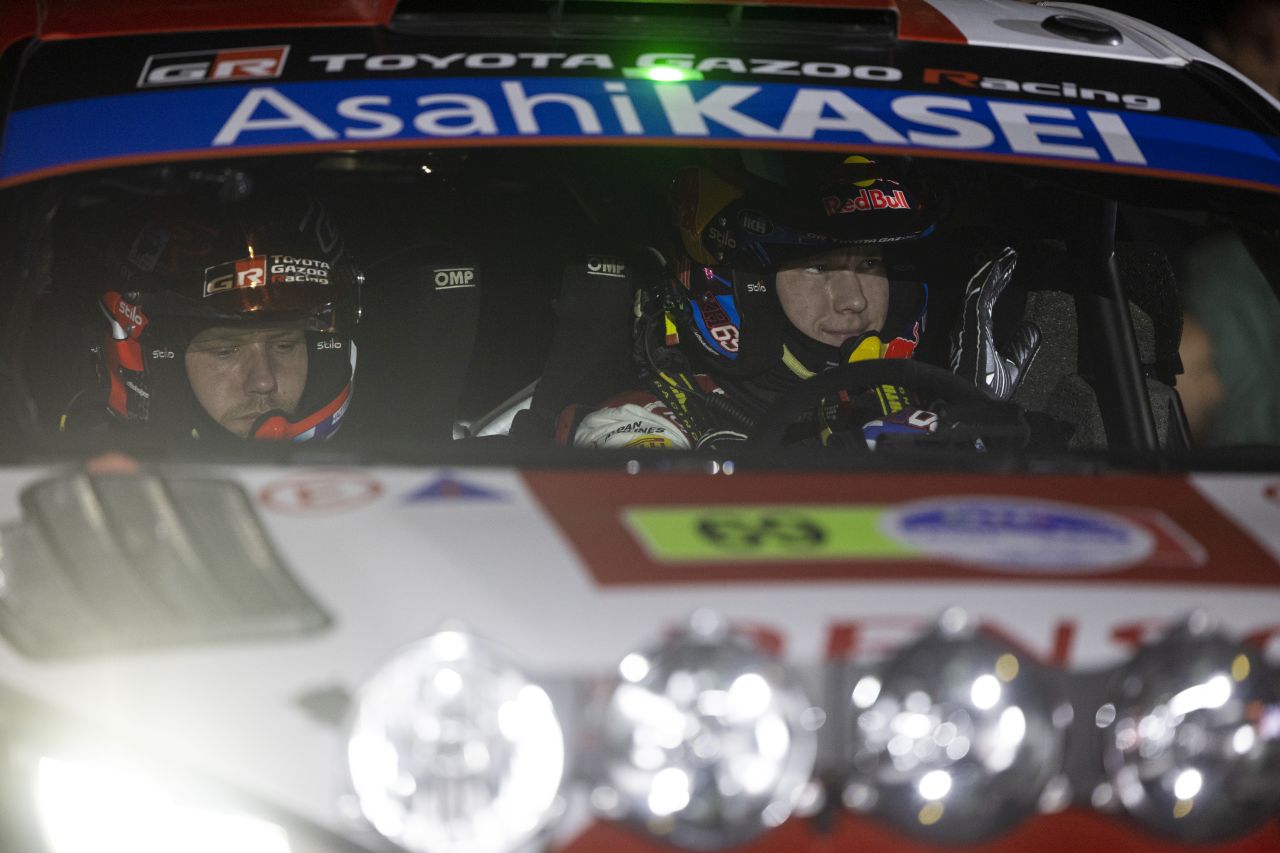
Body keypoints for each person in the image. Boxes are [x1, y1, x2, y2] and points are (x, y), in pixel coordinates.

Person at [557, 155, 1039, 449]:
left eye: (871, 264)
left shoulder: (924, 405)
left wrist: (977, 427)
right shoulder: (641, 421)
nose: (854, 301)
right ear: (746, 288)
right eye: (818, 267)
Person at [59, 188, 361, 441]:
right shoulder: (73, 475)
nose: (263, 381)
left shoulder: (376, 458)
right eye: (225, 350)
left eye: (284, 345)